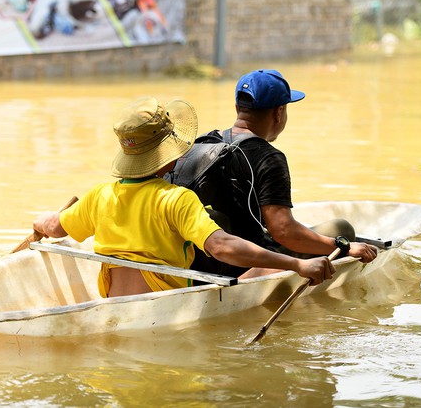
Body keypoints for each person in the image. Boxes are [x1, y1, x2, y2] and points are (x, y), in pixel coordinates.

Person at [33, 96, 336, 298]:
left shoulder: (99, 195)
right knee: (272, 262)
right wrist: (296, 265)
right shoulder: (176, 199)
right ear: (169, 154)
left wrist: (41, 221)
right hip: (166, 303)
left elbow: (55, 227)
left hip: (113, 300)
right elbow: (222, 246)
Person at [188, 69, 378, 279]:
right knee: (341, 227)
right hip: (246, 267)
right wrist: (343, 246)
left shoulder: (203, 143)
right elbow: (284, 231)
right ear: (279, 112)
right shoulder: (268, 157)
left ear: (237, 108)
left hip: (197, 262)